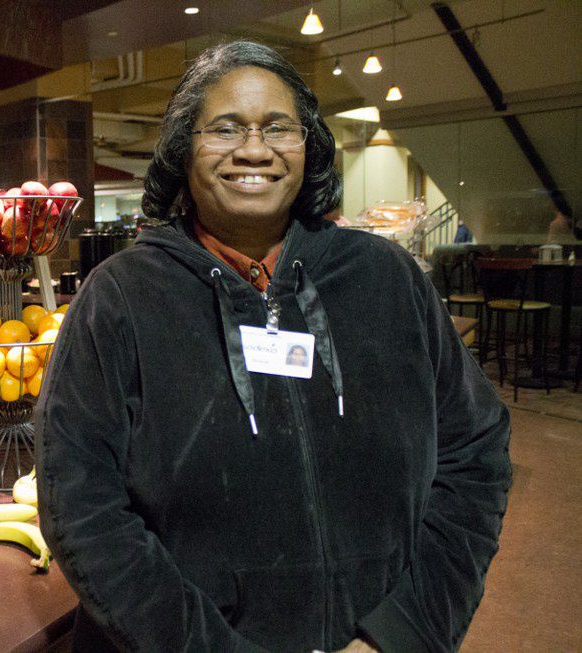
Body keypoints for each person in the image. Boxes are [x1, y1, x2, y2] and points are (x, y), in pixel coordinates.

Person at [35, 41, 510, 653]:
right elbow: (81, 507)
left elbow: (475, 452)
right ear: (183, 149)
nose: (255, 150)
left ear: (308, 146)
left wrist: (401, 634)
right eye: (225, 128)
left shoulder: (388, 279)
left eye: (278, 127)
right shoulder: (121, 297)